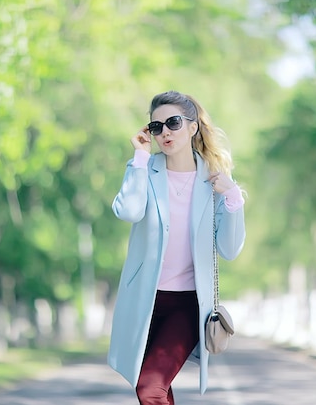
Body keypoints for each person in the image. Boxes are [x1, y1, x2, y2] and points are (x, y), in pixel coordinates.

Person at [108, 90, 246, 404]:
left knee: (150, 387)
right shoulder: (146, 170)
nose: (165, 132)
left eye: (173, 123)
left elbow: (229, 248)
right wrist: (139, 159)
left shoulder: (214, 181)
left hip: (187, 305)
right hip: (145, 301)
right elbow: (128, 210)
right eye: (156, 127)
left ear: (193, 126)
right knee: (156, 387)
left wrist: (233, 198)